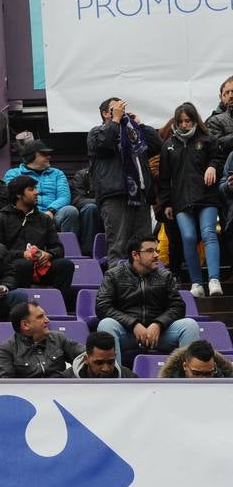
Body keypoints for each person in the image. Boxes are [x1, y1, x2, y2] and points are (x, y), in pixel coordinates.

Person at [95, 233, 200, 365]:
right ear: (135, 255)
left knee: (190, 325)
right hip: (127, 333)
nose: (156, 255)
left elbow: (178, 306)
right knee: (106, 325)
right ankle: (116, 380)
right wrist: (133, 323)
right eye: (150, 251)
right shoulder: (113, 275)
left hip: (159, 334)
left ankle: (187, 382)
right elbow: (102, 307)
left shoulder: (165, 276)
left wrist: (158, 324)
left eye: (156, 250)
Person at [158, 102, 223, 295]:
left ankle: (213, 280)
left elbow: (219, 159)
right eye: (181, 121)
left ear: (195, 120)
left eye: (188, 120)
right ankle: (196, 284)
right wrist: (167, 202)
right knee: (188, 237)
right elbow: (164, 178)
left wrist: (213, 166)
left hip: (206, 196)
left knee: (209, 233)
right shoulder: (168, 145)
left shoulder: (208, 139)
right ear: (176, 123)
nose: (185, 125)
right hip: (180, 199)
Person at [0, 176, 76, 294]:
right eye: (31, 189)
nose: (36, 192)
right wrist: (22, 254)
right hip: (13, 268)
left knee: (65, 265)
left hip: (40, 267)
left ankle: (59, 304)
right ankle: (21, 307)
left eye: (35, 188)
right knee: (23, 265)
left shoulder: (44, 219)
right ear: (19, 194)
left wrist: (48, 254)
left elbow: (58, 248)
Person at [0, 301, 85, 378]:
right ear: (25, 325)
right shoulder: (7, 349)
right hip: (27, 398)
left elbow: (87, 355)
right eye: (40, 317)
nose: (47, 320)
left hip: (60, 393)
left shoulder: (58, 338)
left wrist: (65, 376)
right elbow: (2, 385)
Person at [5, 139, 81, 235]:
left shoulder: (57, 173)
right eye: (44, 154)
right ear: (31, 156)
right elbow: (12, 197)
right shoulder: (14, 174)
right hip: (25, 216)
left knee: (70, 211)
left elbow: (64, 197)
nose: (49, 156)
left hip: (53, 215)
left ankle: (69, 248)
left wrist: (51, 211)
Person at [159, 339, 233, 378]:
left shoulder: (224, 380)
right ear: (185, 366)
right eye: (197, 373)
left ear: (214, 366)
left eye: (208, 374)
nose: (203, 380)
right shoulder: (170, 384)